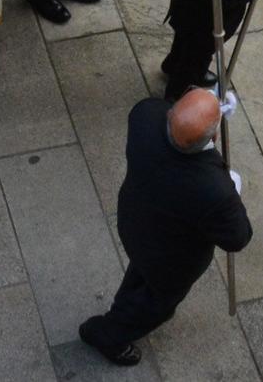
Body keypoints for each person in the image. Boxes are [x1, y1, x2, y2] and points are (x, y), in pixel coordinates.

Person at [76, 89, 252, 368]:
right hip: (171, 260)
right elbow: (237, 237)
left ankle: (128, 299)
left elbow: (168, 109)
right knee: (154, 303)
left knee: (141, 272)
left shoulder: (144, 116)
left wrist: (205, 99)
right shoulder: (215, 192)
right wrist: (234, 190)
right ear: (214, 138)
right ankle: (108, 334)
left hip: (135, 222)